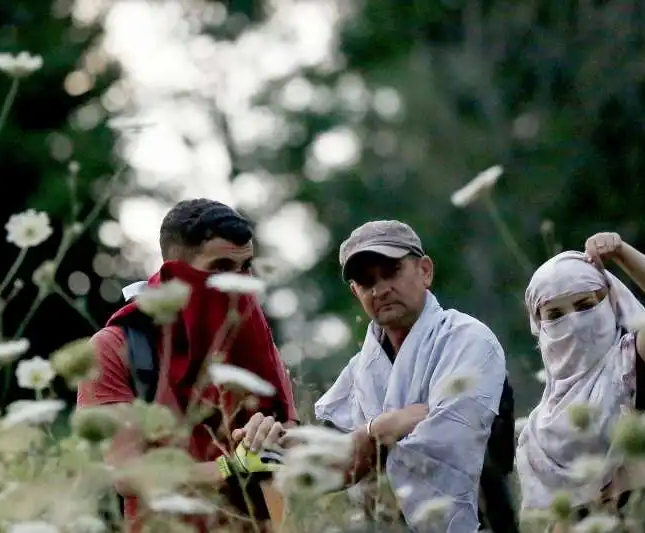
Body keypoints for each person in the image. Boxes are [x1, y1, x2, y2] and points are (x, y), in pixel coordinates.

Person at [77, 199, 298, 532]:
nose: (238, 284)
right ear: (175, 275)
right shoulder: (115, 348)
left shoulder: (254, 342)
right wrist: (230, 467)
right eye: (221, 268)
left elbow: (290, 436)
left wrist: (272, 437)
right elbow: (127, 473)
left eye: (245, 267)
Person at [314, 220, 515, 533]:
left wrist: (365, 448)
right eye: (366, 282)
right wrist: (380, 429)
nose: (380, 290)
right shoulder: (359, 371)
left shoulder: (468, 339)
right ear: (356, 292)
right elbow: (324, 469)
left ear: (425, 271)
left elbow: (445, 445)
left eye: (392, 271)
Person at [515, 232, 645, 532]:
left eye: (584, 305)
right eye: (555, 314)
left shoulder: (635, 363)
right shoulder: (539, 430)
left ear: (609, 302)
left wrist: (621, 253)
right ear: (539, 326)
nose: (575, 321)